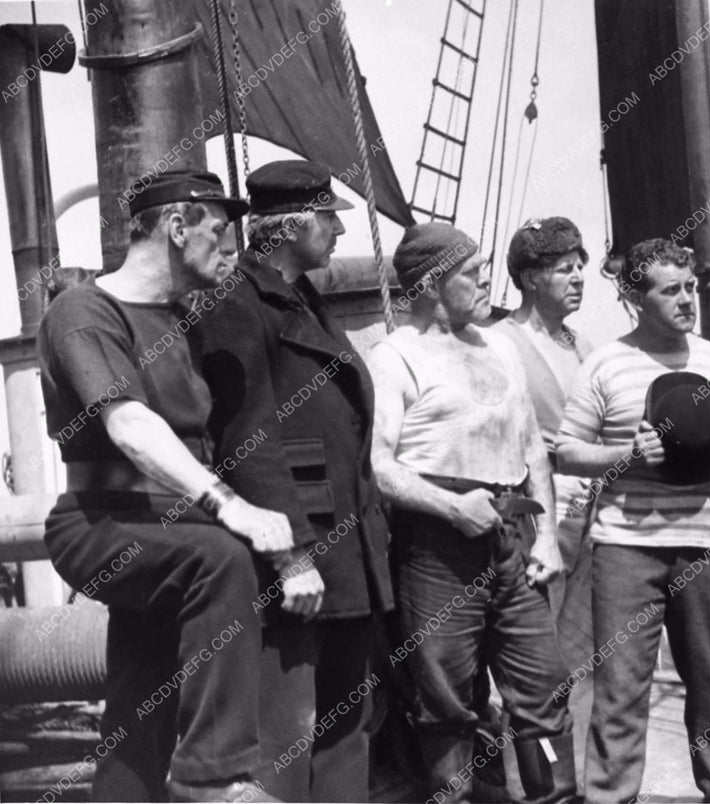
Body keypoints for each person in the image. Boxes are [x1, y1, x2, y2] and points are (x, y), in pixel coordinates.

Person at [38, 171, 289, 803]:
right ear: (177, 228)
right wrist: (229, 505)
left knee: (142, 695)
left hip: (170, 528)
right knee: (223, 559)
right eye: (217, 228)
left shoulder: (185, 322)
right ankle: (212, 777)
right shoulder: (83, 311)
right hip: (102, 520)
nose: (228, 245)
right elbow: (129, 426)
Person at [198, 160, 394, 802]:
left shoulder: (304, 298)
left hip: (346, 551)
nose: (340, 231)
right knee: (285, 737)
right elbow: (246, 441)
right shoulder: (236, 302)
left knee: (346, 730)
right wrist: (293, 557)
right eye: (329, 218)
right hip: (297, 557)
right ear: (289, 226)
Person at [366, 222, 577, 804]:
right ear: (431, 285)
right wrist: (452, 508)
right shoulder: (394, 357)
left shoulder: (500, 345)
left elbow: (533, 449)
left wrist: (546, 538)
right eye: (471, 273)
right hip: (437, 547)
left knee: (544, 686)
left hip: (513, 538)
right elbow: (378, 466)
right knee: (445, 700)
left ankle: (555, 796)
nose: (486, 282)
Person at [556, 238, 710, 803]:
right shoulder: (604, 364)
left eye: (690, 287)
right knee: (620, 689)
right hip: (626, 548)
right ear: (634, 298)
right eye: (671, 291)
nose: (688, 299)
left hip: (705, 545)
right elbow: (567, 451)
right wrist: (626, 456)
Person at [492, 217, 594, 655]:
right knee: (542, 644)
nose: (579, 277)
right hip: (535, 510)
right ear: (532, 278)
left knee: (587, 644)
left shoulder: (581, 344)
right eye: (565, 268)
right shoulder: (498, 343)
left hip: (591, 511)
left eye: (580, 266)